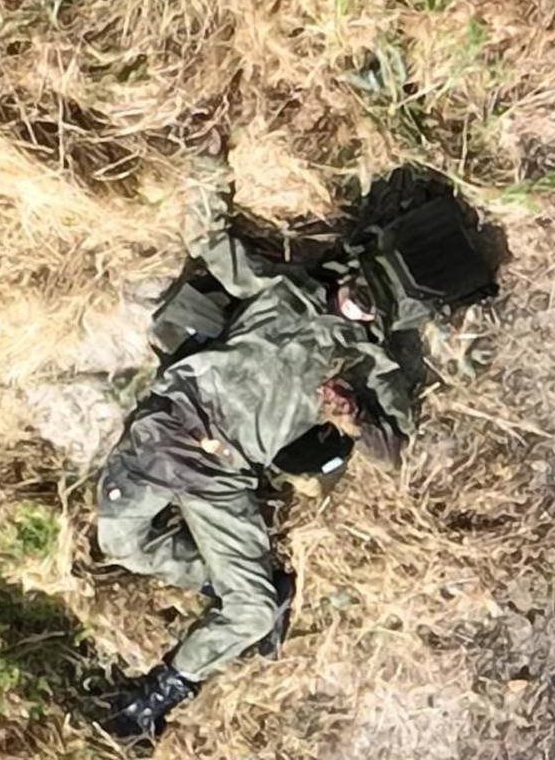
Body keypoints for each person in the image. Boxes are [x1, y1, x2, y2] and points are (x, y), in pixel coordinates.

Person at [96, 227, 416, 738]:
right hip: (170, 429)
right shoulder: (282, 290)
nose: (356, 301)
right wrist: (206, 175)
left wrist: (353, 416)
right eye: (359, 285)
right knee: (118, 541)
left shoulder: (365, 362)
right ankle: (216, 576)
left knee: (254, 612)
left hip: (225, 473)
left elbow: (394, 450)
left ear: (378, 319)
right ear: (346, 272)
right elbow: (210, 238)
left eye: (369, 303)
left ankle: (153, 699)